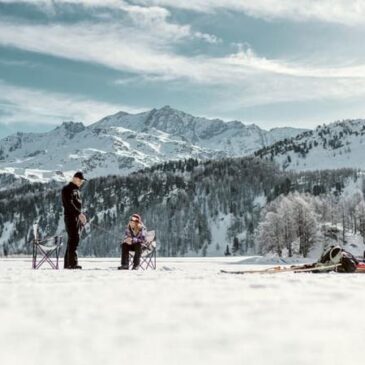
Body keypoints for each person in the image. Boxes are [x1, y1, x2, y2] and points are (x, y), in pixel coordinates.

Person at [62, 171, 87, 269]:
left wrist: (81, 215)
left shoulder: (77, 190)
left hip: (76, 218)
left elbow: (77, 205)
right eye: (81, 180)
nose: (82, 182)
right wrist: (79, 214)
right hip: (70, 217)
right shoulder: (67, 189)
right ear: (75, 179)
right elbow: (69, 204)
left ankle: (68, 264)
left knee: (72, 240)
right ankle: (72, 263)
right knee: (74, 239)